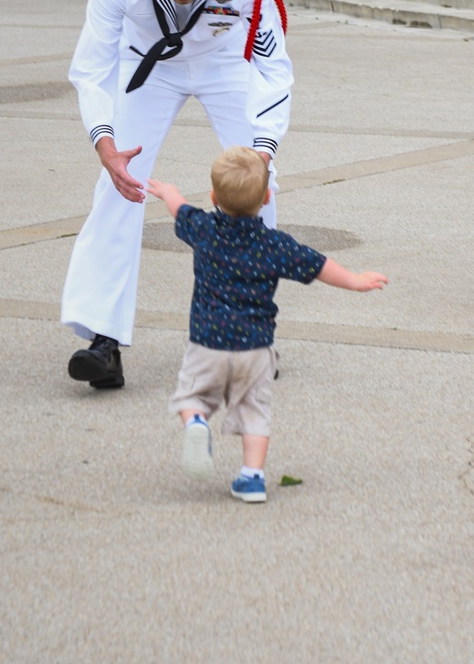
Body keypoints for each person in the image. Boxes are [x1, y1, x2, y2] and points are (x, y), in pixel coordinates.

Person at [62, 0, 294, 391]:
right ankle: (104, 341)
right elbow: (92, 66)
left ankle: (255, 338)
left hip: (228, 60)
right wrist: (104, 141)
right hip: (147, 63)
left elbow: (274, 68)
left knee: (258, 186)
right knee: (118, 187)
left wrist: (264, 147)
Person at [148, 146, 387, 503]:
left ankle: (196, 423)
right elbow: (318, 265)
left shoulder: (202, 230)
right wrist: (355, 279)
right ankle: (252, 478)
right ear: (266, 197)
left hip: (207, 342)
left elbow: (179, 208)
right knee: (253, 411)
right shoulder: (274, 245)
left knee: (190, 396)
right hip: (256, 347)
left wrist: (169, 192)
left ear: (213, 197)